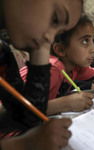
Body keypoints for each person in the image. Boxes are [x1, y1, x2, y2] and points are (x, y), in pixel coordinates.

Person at [0, 0, 82, 149]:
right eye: (55, 18)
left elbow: (26, 114)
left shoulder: (2, 55)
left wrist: (41, 48)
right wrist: (23, 144)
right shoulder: (56, 68)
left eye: (58, 33)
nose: (50, 38)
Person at [21, 15, 94, 116]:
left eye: (92, 40)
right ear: (61, 49)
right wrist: (65, 103)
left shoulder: (76, 67)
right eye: (85, 41)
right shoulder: (51, 68)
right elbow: (14, 110)